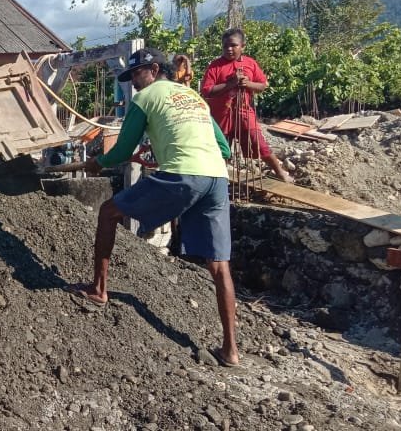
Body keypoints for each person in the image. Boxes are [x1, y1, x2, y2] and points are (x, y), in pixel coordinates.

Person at [67, 48, 241, 367]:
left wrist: (97, 163)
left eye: (136, 74)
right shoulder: (192, 98)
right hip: (216, 178)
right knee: (219, 266)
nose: (133, 81)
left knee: (108, 212)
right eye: (131, 76)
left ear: (154, 70)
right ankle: (230, 351)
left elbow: (121, 150)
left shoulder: (145, 99)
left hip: (184, 174)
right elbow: (224, 148)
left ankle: (98, 289)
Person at [201, 28, 293, 182]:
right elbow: (207, 91)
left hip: (244, 112)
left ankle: (280, 173)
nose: (229, 49)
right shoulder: (215, 66)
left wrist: (247, 83)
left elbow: (262, 85)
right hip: (221, 115)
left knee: (258, 143)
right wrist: (231, 83)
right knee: (221, 150)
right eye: (225, 46)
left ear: (242, 46)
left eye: (233, 45)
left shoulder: (250, 63)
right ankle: (220, 182)